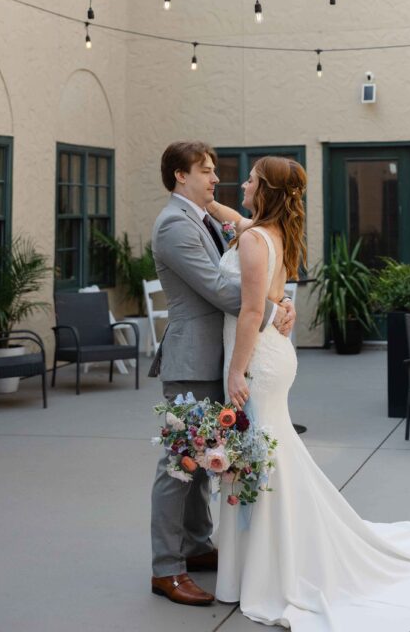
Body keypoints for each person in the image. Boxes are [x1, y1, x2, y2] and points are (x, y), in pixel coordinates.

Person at [207, 155, 410, 631]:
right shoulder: (268, 232)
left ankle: (271, 568)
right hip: (271, 356)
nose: (241, 183)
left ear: (267, 191)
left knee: (262, 457)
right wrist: (207, 203)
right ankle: (263, 559)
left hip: (256, 362)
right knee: (267, 455)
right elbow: (242, 228)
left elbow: (247, 311)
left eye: (251, 179)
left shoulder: (256, 241)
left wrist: (235, 372)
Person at [148, 141, 295, 607]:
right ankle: (166, 570)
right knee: (178, 465)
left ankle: (196, 545)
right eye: (206, 171)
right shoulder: (174, 225)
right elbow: (215, 287)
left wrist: (279, 300)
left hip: (218, 355)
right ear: (179, 177)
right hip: (193, 359)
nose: (216, 178)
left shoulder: (201, 215)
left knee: (203, 459)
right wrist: (272, 310)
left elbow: (256, 237)